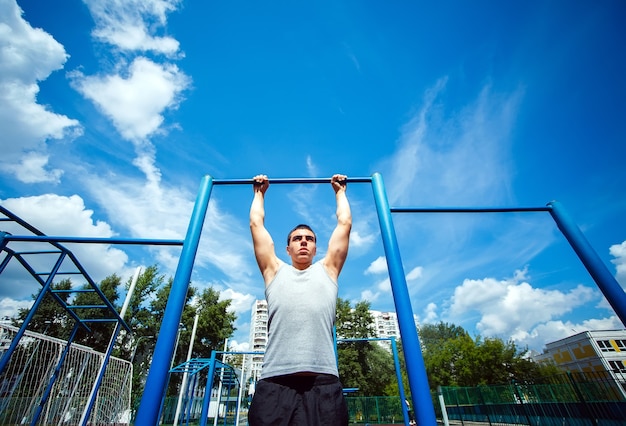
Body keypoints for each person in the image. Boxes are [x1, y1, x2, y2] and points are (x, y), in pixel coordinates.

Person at [248, 174, 352, 426]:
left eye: (310, 239)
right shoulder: (274, 270)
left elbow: (345, 223)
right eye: (297, 239)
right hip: (275, 382)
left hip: (323, 384)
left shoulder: (328, 270)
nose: (304, 241)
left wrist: (340, 193)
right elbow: (256, 225)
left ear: (316, 248)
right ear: (288, 249)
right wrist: (259, 193)